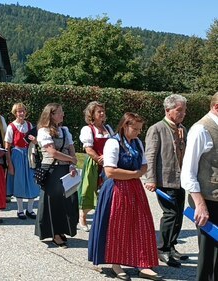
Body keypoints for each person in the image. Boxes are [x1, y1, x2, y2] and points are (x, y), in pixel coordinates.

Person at [88, 112, 161, 280]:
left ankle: (143, 264)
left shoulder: (136, 142)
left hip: (134, 188)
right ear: (124, 126)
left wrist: (135, 173)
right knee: (117, 226)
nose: (137, 132)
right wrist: (134, 173)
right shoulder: (113, 143)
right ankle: (116, 264)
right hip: (117, 189)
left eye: (139, 129)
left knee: (142, 224)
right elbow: (110, 171)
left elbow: (145, 166)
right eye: (134, 128)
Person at [144, 94, 189, 268]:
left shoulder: (182, 128)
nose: (182, 114)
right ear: (168, 110)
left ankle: (171, 245)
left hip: (180, 180)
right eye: (179, 110)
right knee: (170, 214)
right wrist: (151, 179)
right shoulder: (157, 129)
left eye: (184, 111)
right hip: (164, 180)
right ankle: (162, 249)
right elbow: (151, 155)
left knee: (178, 214)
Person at [181, 92, 218, 281]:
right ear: (216, 107)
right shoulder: (201, 129)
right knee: (209, 258)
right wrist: (200, 205)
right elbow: (187, 172)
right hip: (209, 202)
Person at [35, 103, 78, 248]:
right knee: (53, 203)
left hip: (66, 170)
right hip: (52, 170)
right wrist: (71, 159)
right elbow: (52, 152)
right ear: (51, 115)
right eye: (59, 112)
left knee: (66, 203)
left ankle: (62, 230)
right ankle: (54, 233)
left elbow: (71, 150)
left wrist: (72, 164)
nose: (62, 114)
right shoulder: (43, 131)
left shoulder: (65, 130)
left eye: (62, 111)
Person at [77, 102, 114, 231]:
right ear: (91, 114)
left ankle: (104, 218)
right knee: (89, 188)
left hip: (108, 163)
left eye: (103, 111)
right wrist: (100, 159)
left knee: (107, 190)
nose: (102, 114)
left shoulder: (108, 128)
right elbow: (88, 149)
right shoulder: (88, 129)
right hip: (93, 163)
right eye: (99, 112)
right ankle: (83, 217)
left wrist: (108, 159)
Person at [5, 103, 40, 219]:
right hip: (17, 155)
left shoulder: (30, 125)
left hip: (30, 155)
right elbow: (7, 147)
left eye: (23, 111)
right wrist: (9, 164)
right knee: (19, 181)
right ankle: (20, 209)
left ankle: (30, 209)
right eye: (19, 111)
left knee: (32, 180)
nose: (21, 113)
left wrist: (35, 141)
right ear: (15, 113)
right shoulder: (11, 127)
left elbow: (37, 143)